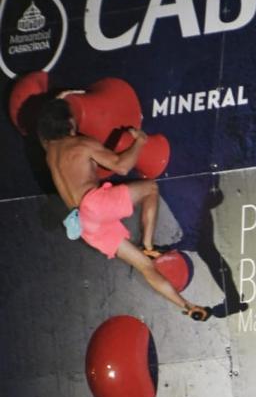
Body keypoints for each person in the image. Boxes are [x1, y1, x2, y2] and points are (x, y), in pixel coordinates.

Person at [36, 96, 211, 321]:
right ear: (69, 122)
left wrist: (57, 104)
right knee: (150, 189)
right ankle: (148, 245)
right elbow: (122, 166)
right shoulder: (81, 144)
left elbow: (45, 130)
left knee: (146, 267)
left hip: (84, 223)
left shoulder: (50, 152)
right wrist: (139, 141)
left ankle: (188, 306)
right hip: (95, 204)